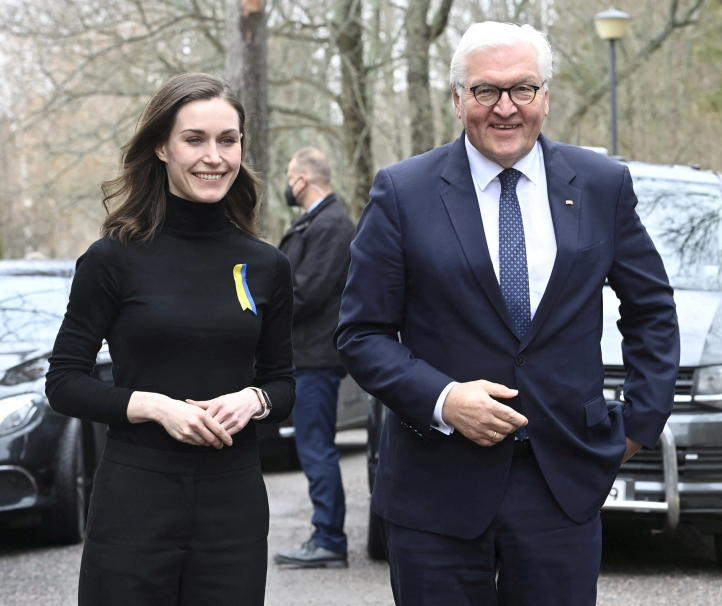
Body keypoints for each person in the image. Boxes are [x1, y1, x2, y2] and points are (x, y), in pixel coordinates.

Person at [335, 21, 680, 606]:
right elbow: (362, 333)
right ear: (457, 98)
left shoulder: (601, 185)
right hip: (435, 489)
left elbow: (651, 310)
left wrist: (638, 425)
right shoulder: (403, 191)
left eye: (522, 89)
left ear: (546, 96)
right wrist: (444, 399)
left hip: (562, 484)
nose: (505, 108)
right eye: (485, 91)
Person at [45, 73, 294, 606]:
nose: (214, 156)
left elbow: (283, 382)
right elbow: (64, 382)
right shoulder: (112, 259)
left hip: (233, 506)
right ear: (161, 146)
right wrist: (154, 407)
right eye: (194, 139)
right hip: (136, 500)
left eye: (228, 140)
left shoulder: (266, 264)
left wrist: (254, 400)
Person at [274, 148, 355, 568]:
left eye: (290, 176)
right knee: (312, 445)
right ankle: (325, 535)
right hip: (304, 355)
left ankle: (329, 539)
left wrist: (265, 309)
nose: (288, 184)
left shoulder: (332, 225)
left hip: (317, 357)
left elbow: (308, 291)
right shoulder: (315, 222)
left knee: (316, 447)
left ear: (304, 179)